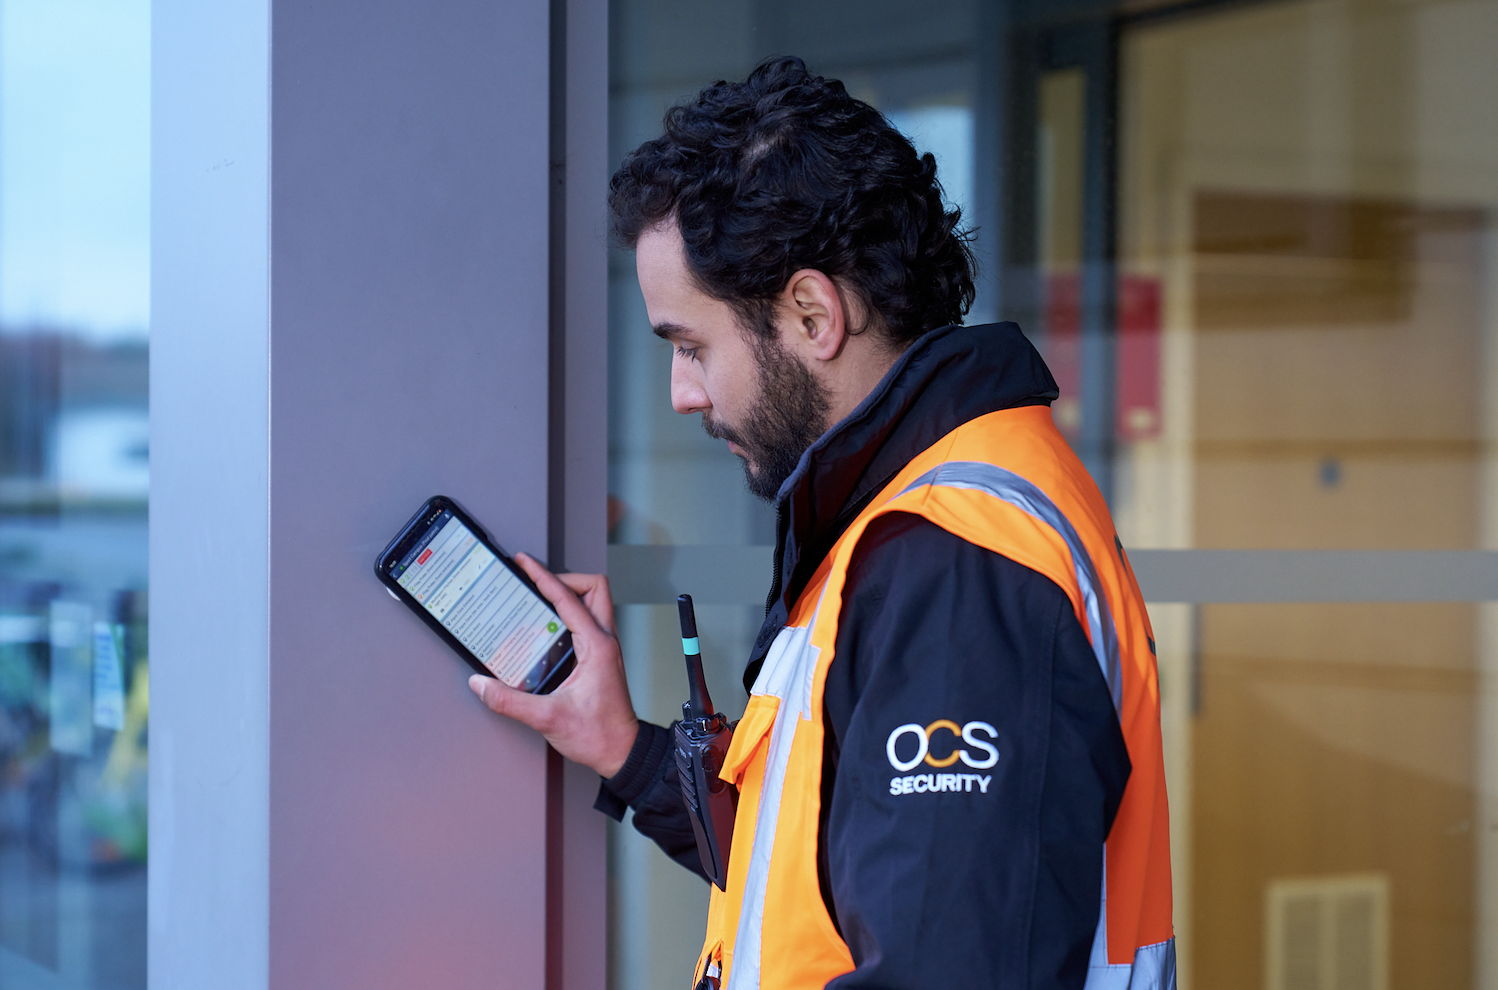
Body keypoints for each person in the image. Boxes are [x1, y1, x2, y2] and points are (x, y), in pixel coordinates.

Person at [471, 56, 1175, 989]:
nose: (682, 395)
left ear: (811, 313)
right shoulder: (899, 524)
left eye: (691, 346)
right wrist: (627, 751)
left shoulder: (952, 564)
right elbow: (814, 873)